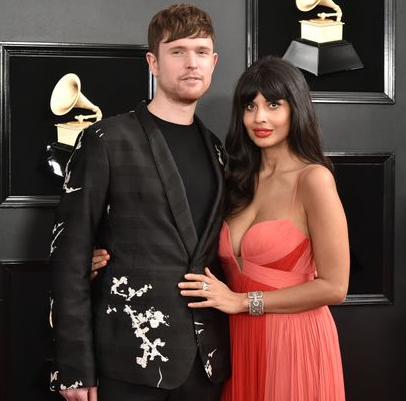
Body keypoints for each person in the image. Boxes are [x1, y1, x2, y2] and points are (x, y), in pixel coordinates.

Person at [93, 57, 350, 400]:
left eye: (274, 104)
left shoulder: (313, 179)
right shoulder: (234, 178)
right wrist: (103, 256)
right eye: (250, 105)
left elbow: (335, 287)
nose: (260, 117)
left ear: (296, 109)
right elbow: (174, 234)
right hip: (238, 342)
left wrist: (243, 301)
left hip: (294, 339)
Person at [49, 4, 230, 401]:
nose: (191, 63)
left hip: (207, 364)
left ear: (214, 62)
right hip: (127, 359)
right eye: (177, 51)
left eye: (201, 52)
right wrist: (73, 368)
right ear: (153, 62)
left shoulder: (218, 150)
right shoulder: (106, 140)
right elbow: (70, 253)